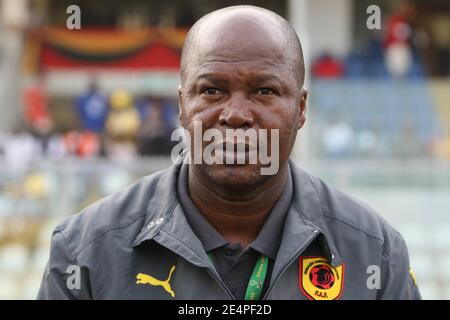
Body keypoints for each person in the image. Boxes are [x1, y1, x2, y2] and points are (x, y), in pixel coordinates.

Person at [37, 5, 421, 300]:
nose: (236, 114)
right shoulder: (84, 251)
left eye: (265, 91)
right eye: (211, 90)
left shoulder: (376, 253)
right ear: (183, 107)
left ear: (301, 109)